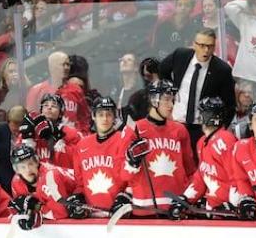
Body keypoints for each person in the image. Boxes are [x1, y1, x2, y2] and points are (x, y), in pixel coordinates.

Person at [120, 80, 196, 213]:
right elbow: (123, 175)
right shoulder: (134, 129)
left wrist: (190, 198)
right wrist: (132, 162)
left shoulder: (180, 130)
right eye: (166, 99)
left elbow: (190, 171)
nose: (171, 105)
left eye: (172, 100)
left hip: (176, 208)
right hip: (144, 208)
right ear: (154, 100)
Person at [158, 28, 237, 147]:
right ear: (194, 45)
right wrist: (171, 92)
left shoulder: (222, 70)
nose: (206, 50)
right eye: (202, 45)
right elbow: (162, 70)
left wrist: (217, 130)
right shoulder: (181, 55)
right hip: (176, 122)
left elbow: (230, 104)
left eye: (210, 46)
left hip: (202, 128)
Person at [171, 97, 237, 218]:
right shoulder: (202, 142)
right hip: (212, 210)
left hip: (225, 213)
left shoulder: (225, 140)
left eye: (202, 113)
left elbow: (237, 177)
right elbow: (201, 177)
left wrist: (233, 205)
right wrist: (186, 198)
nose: (199, 117)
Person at [71, 96, 129, 213]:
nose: (105, 119)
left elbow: (131, 177)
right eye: (100, 114)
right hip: (91, 215)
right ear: (93, 116)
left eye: (109, 114)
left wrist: (126, 196)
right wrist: (78, 197)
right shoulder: (82, 145)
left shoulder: (124, 140)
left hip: (118, 215)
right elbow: (80, 183)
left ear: (114, 117)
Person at [9, 144, 77, 228]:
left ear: (37, 162)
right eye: (22, 167)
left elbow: (61, 213)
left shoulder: (50, 176)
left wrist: (36, 207)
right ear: (17, 170)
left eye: (30, 163)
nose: (28, 169)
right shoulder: (16, 183)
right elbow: (25, 210)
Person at [20, 94, 81, 170]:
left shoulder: (69, 133)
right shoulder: (31, 130)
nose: (49, 107)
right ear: (41, 111)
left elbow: (77, 159)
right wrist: (28, 140)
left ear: (60, 114)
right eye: (45, 105)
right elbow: (19, 160)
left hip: (62, 177)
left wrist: (58, 141)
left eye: (54, 106)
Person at [0, 105, 26, 193]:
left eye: (19, 128)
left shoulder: (31, 131)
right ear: (8, 122)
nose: (17, 131)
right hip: (5, 180)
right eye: (14, 129)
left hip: (26, 178)